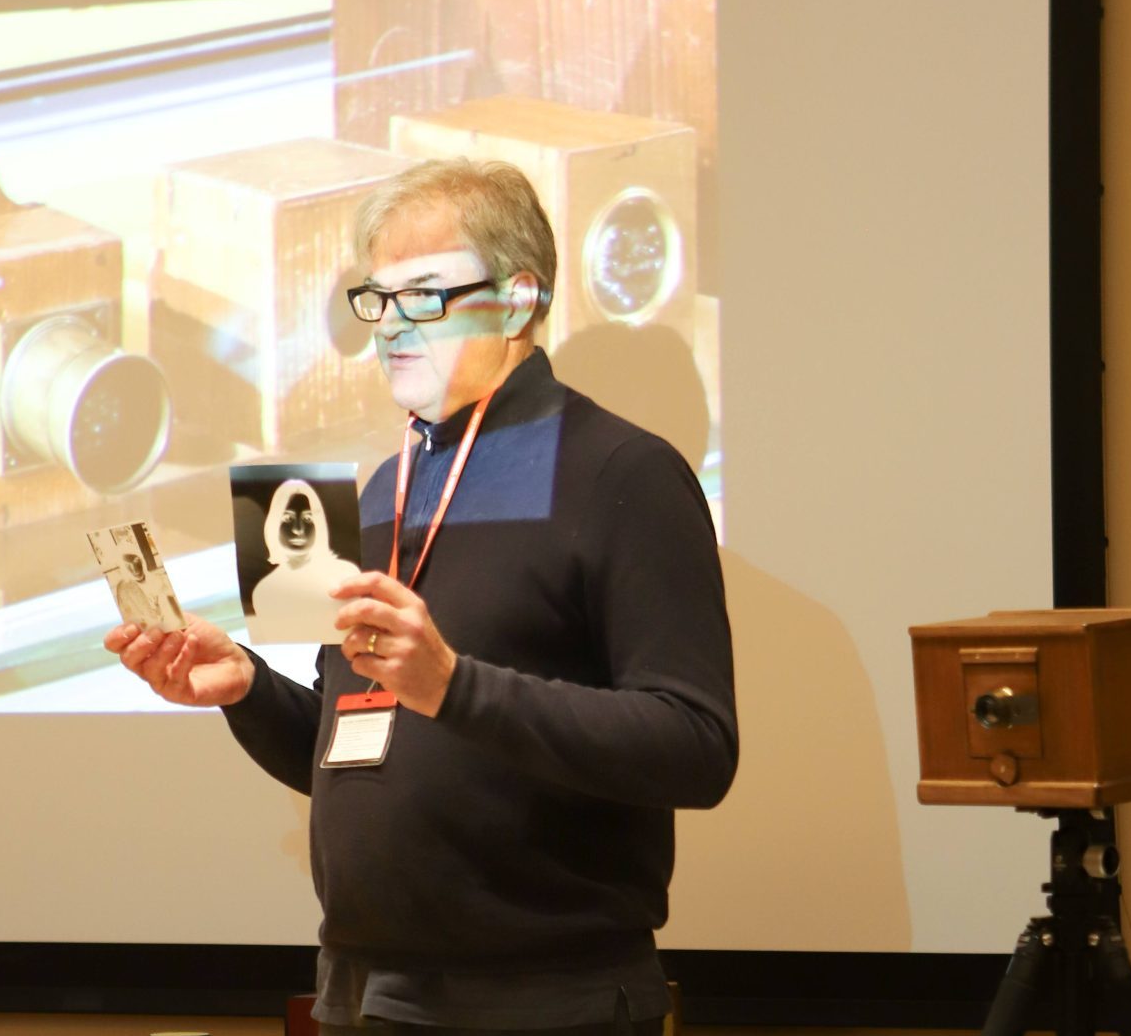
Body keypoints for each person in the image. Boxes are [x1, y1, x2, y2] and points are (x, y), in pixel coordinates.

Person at [106, 158, 737, 1035]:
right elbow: (359, 746)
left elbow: (695, 746)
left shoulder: (621, 473)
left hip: (538, 999)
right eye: (378, 298)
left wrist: (455, 684)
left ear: (519, 302)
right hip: (362, 986)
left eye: (426, 296)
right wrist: (246, 688)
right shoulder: (383, 490)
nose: (392, 328)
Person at [248, 477, 360, 643]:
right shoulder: (264, 591)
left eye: (308, 519)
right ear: (274, 523)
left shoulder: (346, 574)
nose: (298, 530)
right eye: (288, 519)